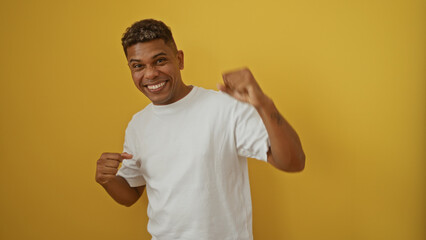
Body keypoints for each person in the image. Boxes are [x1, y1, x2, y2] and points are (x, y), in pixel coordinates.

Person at [95, 19, 305, 240]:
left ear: (179, 59)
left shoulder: (224, 107)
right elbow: (131, 194)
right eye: (138, 66)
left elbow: (293, 162)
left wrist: (264, 104)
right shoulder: (138, 124)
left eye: (159, 60)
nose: (150, 74)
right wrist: (108, 180)